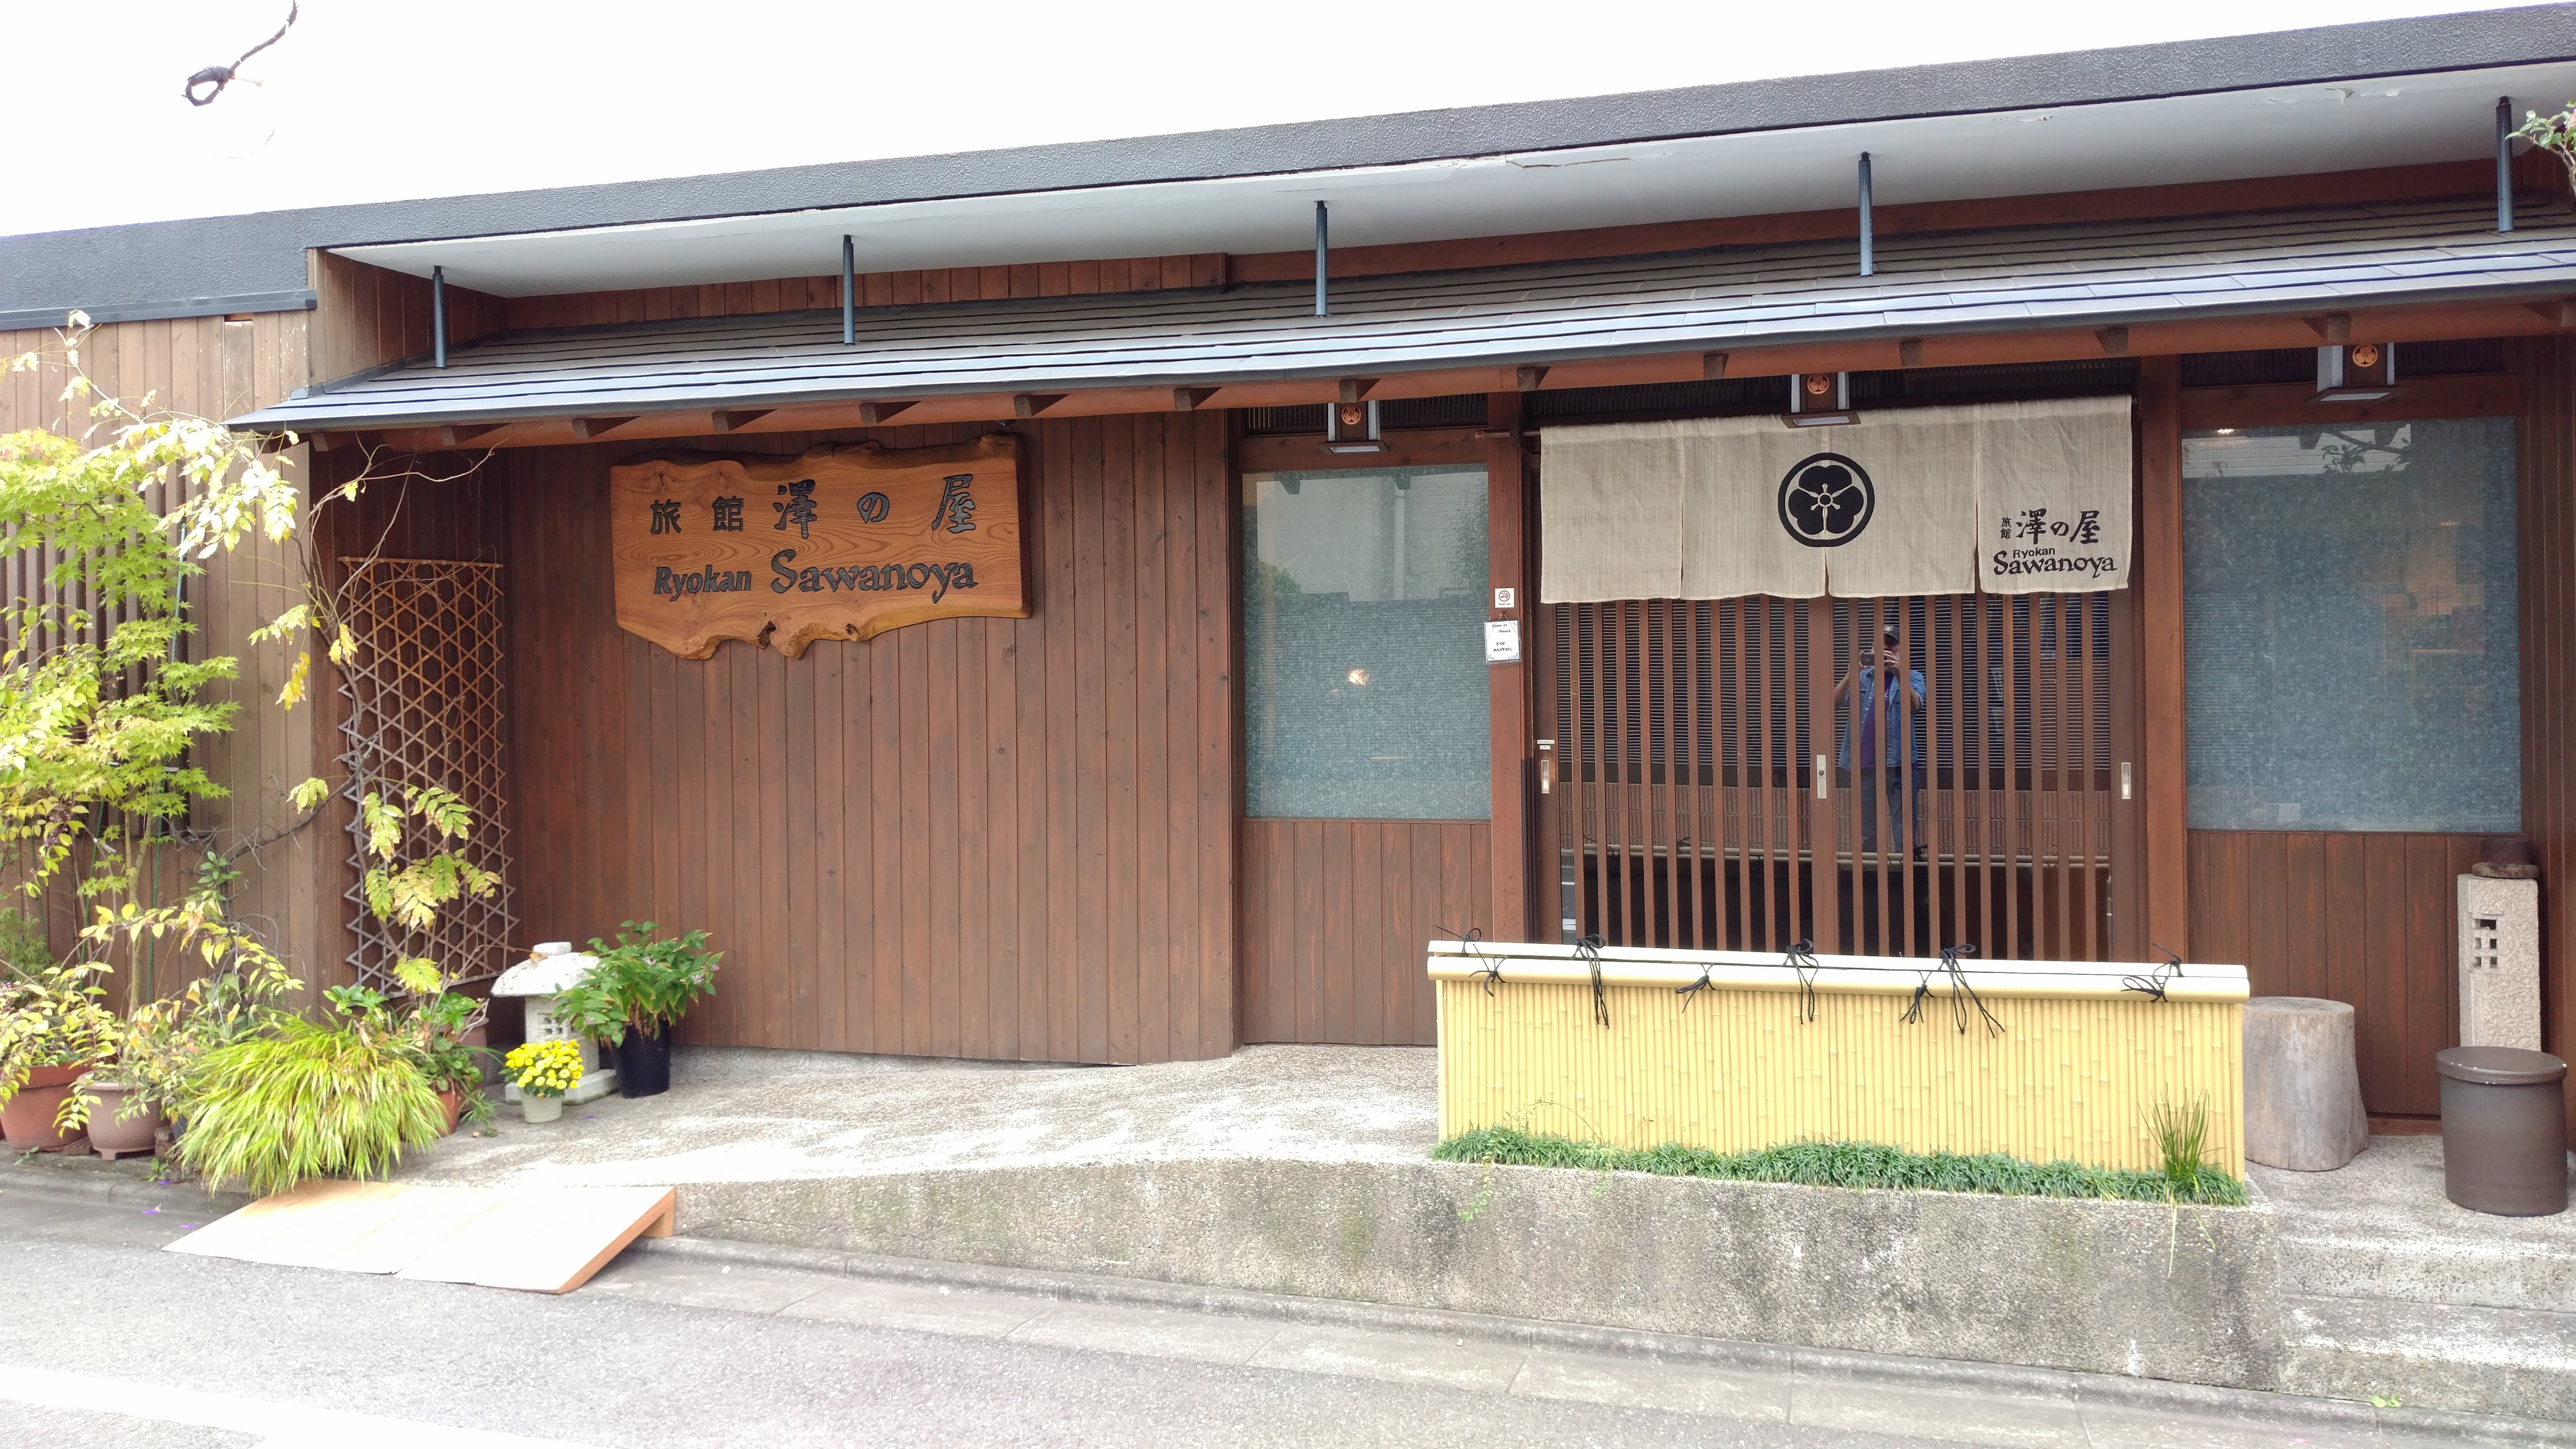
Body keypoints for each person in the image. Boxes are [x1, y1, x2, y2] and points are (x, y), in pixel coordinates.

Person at [1834, 624, 1926, 861]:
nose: (1885, 648)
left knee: (1904, 829)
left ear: (1900, 650)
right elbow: (1833, 702)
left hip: (1900, 767)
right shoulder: (1862, 677)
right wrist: (1850, 673)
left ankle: (1905, 880)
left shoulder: (1913, 677)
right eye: (1880, 644)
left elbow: (1915, 706)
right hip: (1866, 766)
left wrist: (1899, 674)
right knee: (1867, 831)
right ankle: (1871, 880)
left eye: (1891, 644)